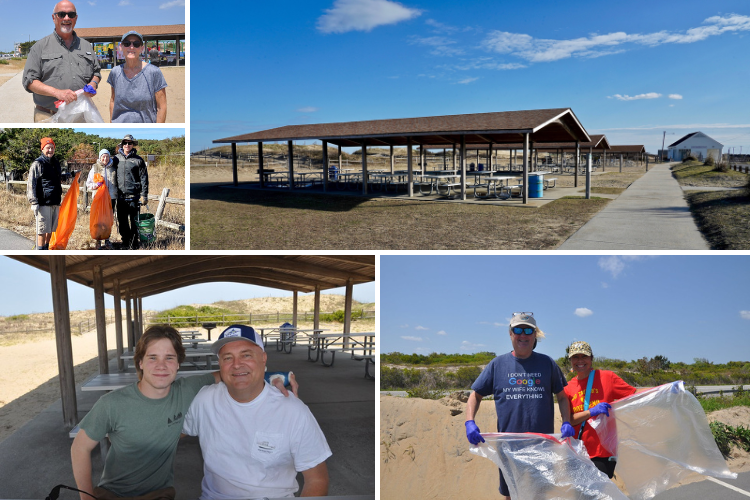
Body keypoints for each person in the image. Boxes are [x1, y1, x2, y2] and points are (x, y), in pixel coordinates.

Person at [71, 325, 298, 500]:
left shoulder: (187, 389)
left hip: (159, 493)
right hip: (114, 494)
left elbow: (231, 373)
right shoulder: (112, 403)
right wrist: (86, 497)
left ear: (178, 363)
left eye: (169, 358)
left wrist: (277, 377)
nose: (161, 366)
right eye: (152, 358)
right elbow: (80, 447)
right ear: (139, 362)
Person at [183, 325, 331, 499]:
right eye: (227, 358)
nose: (237, 364)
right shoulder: (204, 401)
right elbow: (168, 432)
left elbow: (317, 480)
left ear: (263, 358)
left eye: (246, 355)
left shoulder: (293, 411)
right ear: (220, 365)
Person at [464, 312, 572, 500]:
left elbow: (562, 397)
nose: (523, 335)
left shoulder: (547, 363)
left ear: (535, 335)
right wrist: (469, 422)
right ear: (511, 333)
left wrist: (566, 421)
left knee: (541, 493)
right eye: (518, 330)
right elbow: (476, 395)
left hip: (542, 445)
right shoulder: (498, 364)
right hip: (509, 446)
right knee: (510, 494)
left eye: (528, 330)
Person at [564, 341, 644, 479]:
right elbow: (569, 420)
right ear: (570, 360)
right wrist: (591, 412)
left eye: (584, 356)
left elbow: (635, 393)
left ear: (591, 358)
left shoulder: (607, 378)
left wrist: (667, 389)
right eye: (575, 357)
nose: (580, 361)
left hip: (602, 453)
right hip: (576, 451)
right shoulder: (567, 387)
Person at [22, 1, 100, 122]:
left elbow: (96, 72)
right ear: (54, 18)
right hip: (48, 115)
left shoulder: (86, 46)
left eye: (71, 14)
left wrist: (93, 83)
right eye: (62, 14)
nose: (66, 18)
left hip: (79, 115)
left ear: (76, 18)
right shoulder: (40, 47)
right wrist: (57, 93)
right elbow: (29, 81)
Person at [107, 31, 167, 123]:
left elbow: (161, 107)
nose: (131, 47)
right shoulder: (115, 72)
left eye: (136, 44)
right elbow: (113, 100)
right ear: (121, 47)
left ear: (142, 48)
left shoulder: (154, 72)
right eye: (127, 43)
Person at [27, 137, 62, 250]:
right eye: (47, 148)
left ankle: (46, 248)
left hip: (55, 201)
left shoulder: (55, 162)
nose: (50, 150)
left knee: (51, 228)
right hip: (43, 202)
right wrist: (33, 201)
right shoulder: (38, 163)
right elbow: (31, 183)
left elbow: (58, 178)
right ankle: (40, 249)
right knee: (42, 229)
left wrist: (72, 174)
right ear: (42, 149)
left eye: (52, 148)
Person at [116, 134, 148, 249]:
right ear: (122, 145)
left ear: (133, 145)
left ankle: (134, 244)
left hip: (134, 197)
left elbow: (144, 178)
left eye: (130, 143)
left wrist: (144, 195)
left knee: (134, 222)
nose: (127, 145)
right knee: (122, 222)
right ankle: (125, 243)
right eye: (125, 143)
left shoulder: (138, 160)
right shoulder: (116, 159)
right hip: (120, 197)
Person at [85, 149, 118, 249]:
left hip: (111, 198)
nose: (105, 158)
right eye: (103, 156)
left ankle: (107, 240)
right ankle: (98, 240)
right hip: (98, 198)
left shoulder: (113, 168)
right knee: (98, 220)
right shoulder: (95, 168)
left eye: (107, 156)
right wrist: (96, 185)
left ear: (109, 157)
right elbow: (88, 184)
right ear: (100, 157)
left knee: (108, 220)